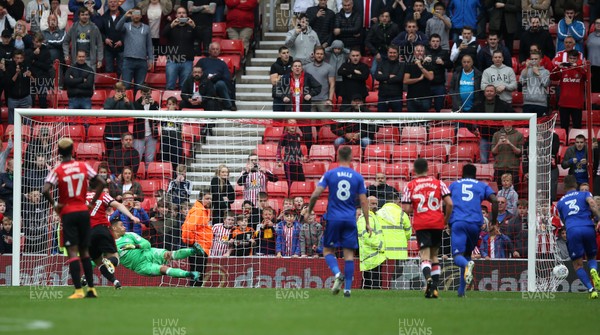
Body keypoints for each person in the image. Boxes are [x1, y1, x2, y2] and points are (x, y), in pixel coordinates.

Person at [42, 137, 106, 299]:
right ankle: (91, 289)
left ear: (58, 152)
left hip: (68, 213)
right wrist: (91, 203)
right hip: (84, 212)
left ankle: (78, 290)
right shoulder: (83, 166)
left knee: (72, 251)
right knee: (85, 251)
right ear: (73, 151)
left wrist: (55, 205)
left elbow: (45, 190)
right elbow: (101, 182)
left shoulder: (57, 170)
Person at [305, 146, 372, 298]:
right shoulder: (357, 177)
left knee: (328, 250)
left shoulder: (330, 174)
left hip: (333, 218)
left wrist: (309, 210)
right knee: (349, 255)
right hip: (350, 219)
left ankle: (337, 274)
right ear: (351, 157)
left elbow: (316, 194)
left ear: (337, 156)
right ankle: (347, 290)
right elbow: (363, 201)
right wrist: (367, 222)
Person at [402, 158, 452, 298]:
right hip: (437, 223)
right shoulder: (438, 183)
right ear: (428, 169)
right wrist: (445, 220)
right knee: (434, 255)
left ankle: (428, 279)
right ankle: (434, 289)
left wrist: (418, 208)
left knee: (424, 256)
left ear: (414, 170)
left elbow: (405, 208)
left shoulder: (410, 185)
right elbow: (450, 204)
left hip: (422, 223)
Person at [448, 164, 498, 297]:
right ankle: (461, 292)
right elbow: (495, 200)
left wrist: (446, 221)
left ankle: (467, 265)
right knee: (467, 255)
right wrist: (494, 221)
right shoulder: (482, 185)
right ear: (475, 174)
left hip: (458, 222)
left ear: (462, 173)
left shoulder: (454, 185)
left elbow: (446, 202)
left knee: (458, 257)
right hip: (475, 225)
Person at [84, 178, 140, 289]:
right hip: (102, 229)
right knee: (115, 258)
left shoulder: (81, 197)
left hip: (88, 233)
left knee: (98, 262)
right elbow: (118, 205)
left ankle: (115, 282)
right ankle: (109, 262)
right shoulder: (103, 195)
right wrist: (131, 216)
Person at [112, 219, 204, 282]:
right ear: (114, 228)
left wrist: (136, 246)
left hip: (148, 253)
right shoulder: (111, 245)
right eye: (121, 225)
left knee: (169, 254)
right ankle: (190, 274)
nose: (124, 227)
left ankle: (194, 251)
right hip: (141, 266)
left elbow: (147, 244)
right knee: (164, 269)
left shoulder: (130, 235)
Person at [556, 175, 600, 298]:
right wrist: (598, 217)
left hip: (573, 230)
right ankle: (593, 270)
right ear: (575, 185)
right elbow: (592, 203)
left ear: (564, 187)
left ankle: (592, 290)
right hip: (588, 227)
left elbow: (563, 220)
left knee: (578, 264)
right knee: (591, 256)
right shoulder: (584, 194)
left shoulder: (560, 202)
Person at [374, 195, 412, 289]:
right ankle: (396, 289)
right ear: (397, 201)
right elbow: (408, 232)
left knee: (380, 272)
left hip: (382, 249)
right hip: (399, 251)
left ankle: (378, 288)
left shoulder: (378, 213)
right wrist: (402, 240)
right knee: (397, 274)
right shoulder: (402, 214)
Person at [161, 6, 200, 91]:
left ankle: (183, 104)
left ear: (187, 15)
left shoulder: (191, 27)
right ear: (176, 15)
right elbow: (163, 35)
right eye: (179, 13)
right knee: (170, 86)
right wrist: (171, 25)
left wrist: (194, 26)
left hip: (187, 61)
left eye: (183, 13)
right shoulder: (171, 26)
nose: (181, 15)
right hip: (172, 60)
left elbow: (199, 37)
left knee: (185, 87)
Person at [116, 8, 153, 91]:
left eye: (138, 14)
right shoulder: (126, 25)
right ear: (131, 15)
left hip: (142, 61)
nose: (136, 16)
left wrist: (150, 59)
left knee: (139, 87)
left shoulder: (146, 28)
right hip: (128, 60)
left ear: (141, 16)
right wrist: (125, 16)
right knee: (126, 86)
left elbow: (149, 45)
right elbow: (117, 28)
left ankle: (137, 103)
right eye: (134, 13)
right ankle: (126, 103)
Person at [181, 192, 213, 286]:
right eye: (207, 198)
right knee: (198, 272)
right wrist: (192, 243)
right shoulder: (199, 211)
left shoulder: (203, 210)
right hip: (199, 246)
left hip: (202, 246)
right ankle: (194, 293)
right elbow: (189, 228)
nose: (209, 201)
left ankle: (194, 292)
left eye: (210, 198)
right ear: (200, 199)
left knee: (198, 272)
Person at [552, 50, 586, 133]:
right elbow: (552, 77)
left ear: (577, 59)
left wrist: (577, 67)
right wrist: (558, 67)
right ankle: (565, 144)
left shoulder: (581, 69)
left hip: (577, 103)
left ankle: (575, 144)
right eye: (570, 58)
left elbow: (588, 77)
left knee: (577, 128)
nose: (572, 60)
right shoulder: (563, 69)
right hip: (564, 103)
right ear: (568, 59)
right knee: (564, 128)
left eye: (574, 59)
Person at [197, 42, 236, 110]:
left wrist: (216, 77)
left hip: (218, 85)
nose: (215, 51)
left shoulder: (222, 63)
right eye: (213, 49)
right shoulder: (202, 61)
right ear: (209, 51)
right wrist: (206, 77)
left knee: (220, 84)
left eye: (217, 49)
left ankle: (229, 105)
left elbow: (227, 77)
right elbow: (195, 73)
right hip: (205, 85)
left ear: (219, 51)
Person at [62, 7, 103, 71]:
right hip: (76, 60)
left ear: (89, 16)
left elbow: (100, 44)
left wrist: (100, 59)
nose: (85, 16)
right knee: (77, 80)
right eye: (82, 15)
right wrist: (66, 54)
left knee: (90, 80)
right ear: (78, 16)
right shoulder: (73, 27)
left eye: (86, 15)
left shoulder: (94, 28)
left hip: (90, 61)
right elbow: (65, 42)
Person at [366, 10, 400, 74]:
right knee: (373, 71)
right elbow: (367, 41)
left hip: (392, 53)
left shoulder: (395, 27)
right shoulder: (375, 27)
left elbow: (398, 41)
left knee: (393, 71)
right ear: (379, 18)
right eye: (382, 16)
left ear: (389, 18)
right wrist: (376, 53)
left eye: (386, 16)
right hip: (379, 53)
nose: (384, 18)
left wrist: (394, 51)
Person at [132, 85, 160, 163]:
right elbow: (135, 116)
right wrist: (142, 105)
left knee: (150, 158)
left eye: (148, 93)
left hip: (152, 134)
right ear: (141, 93)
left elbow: (158, 118)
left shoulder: (155, 104)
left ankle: (147, 172)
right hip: (139, 134)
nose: (146, 95)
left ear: (151, 92)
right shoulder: (136, 104)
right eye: (144, 93)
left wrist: (154, 105)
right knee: (138, 156)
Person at [3, 49, 32, 124]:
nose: (19, 60)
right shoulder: (9, 68)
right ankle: (11, 135)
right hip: (13, 99)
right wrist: (16, 74)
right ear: (14, 58)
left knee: (28, 123)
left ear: (23, 58)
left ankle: (27, 135)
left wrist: (30, 76)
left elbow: (36, 82)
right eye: (17, 58)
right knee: (12, 123)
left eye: (21, 58)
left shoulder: (27, 66)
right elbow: (8, 84)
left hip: (25, 98)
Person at [304, 45, 335, 113]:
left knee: (326, 123)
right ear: (314, 54)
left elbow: (332, 84)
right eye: (317, 53)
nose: (319, 55)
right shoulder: (306, 67)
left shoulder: (329, 67)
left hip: (324, 100)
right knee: (311, 123)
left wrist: (330, 99)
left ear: (324, 55)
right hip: (309, 99)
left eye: (321, 54)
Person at [425, 33, 452, 112]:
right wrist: (423, 61)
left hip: (439, 85)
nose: (435, 43)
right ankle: (427, 124)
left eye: (437, 41)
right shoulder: (425, 52)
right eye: (433, 41)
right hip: (427, 85)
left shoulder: (444, 52)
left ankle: (438, 124)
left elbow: (451, 65)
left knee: (439, 108)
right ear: (430, 42)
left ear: (440, 42)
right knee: (426, 108)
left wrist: (443, 63)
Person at [403, 43, 434, 112]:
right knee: (412, 122)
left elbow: (430, 77)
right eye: (418, 51)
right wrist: (419, 79)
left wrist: (420, 66)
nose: (419, 52)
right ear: (414, 53)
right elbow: (405, 80)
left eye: (421, 51)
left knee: (424, 121)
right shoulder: (409, 64)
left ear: (424, 52)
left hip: (425, 98)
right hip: (412, 98)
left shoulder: (428, 64)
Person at [98, 0, 125, 77]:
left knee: (121, 69)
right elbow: (100, 32)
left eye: (115, 1)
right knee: (108, 70)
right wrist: (105, 39)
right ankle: (109, 88)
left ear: (118, 3)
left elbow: (129, 31)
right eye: (110, 2)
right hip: (108, 48)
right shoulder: (104, 17)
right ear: (108, 4)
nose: (113, 3)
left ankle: (121, 88)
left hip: (121, 48)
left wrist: (122, 41)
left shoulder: (125, 16)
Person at [375, 45, 405, 112]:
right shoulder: (381, 63)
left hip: (397, 97)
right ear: (387, 53)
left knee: (398, 121)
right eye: (390, 52)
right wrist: (389, 76)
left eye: (394, 53)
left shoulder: (402, 65)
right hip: (382, 96)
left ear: (398, 53)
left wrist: (384, 78)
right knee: (381, 121)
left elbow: (399, 78)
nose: (392, 54)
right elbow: (377, 76)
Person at [520, 51, 550, 117]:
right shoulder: (525, 70)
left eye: (536, 59)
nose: (534, 61)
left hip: (541, 104)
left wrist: (538, 73)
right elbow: (521, 82)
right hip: (527, 103)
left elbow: (546, 84)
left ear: (540, 60)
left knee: (540, 126)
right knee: (526, 126)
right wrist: (526, 68)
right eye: (532, 59)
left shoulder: (545, 72)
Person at [276, 120, 306, 185]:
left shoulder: (298, 135)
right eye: (290, 124)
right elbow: (279, 148)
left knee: (302, 181)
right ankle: (291, 194)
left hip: (297, 162)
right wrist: (279, 160)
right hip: (288, 163)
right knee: (291, 183)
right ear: (287, 126)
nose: (292, 125)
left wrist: (302, 156)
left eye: (294, 124)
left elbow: (298, 148)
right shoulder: (284, 136)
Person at [270, 46, 293, 112]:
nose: (286, 55)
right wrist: (286, 77)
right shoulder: (275, 65)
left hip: (290, 95)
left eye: (287, 52)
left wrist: (280, 76)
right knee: (277, 120)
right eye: (283, 53)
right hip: (278, 95)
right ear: (279, 54)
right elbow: (274, 82)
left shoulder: (293, 64)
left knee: (290, 119)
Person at [588, 18, 600, 93]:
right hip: (591, 67)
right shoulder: (590, 36)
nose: (599, 24)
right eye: (597, 23)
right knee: (592, 90)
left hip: (599, 66)